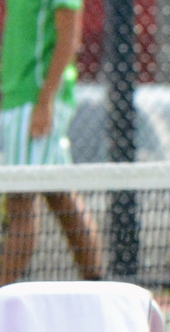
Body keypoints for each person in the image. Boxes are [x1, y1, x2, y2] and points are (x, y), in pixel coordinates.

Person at [0, 0, 102, 285]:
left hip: (35, 102)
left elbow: (69, 39)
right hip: (18, 100)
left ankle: (3, 292)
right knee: (61, 197)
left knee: (20, 200)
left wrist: (45, 102)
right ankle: (98, 283)